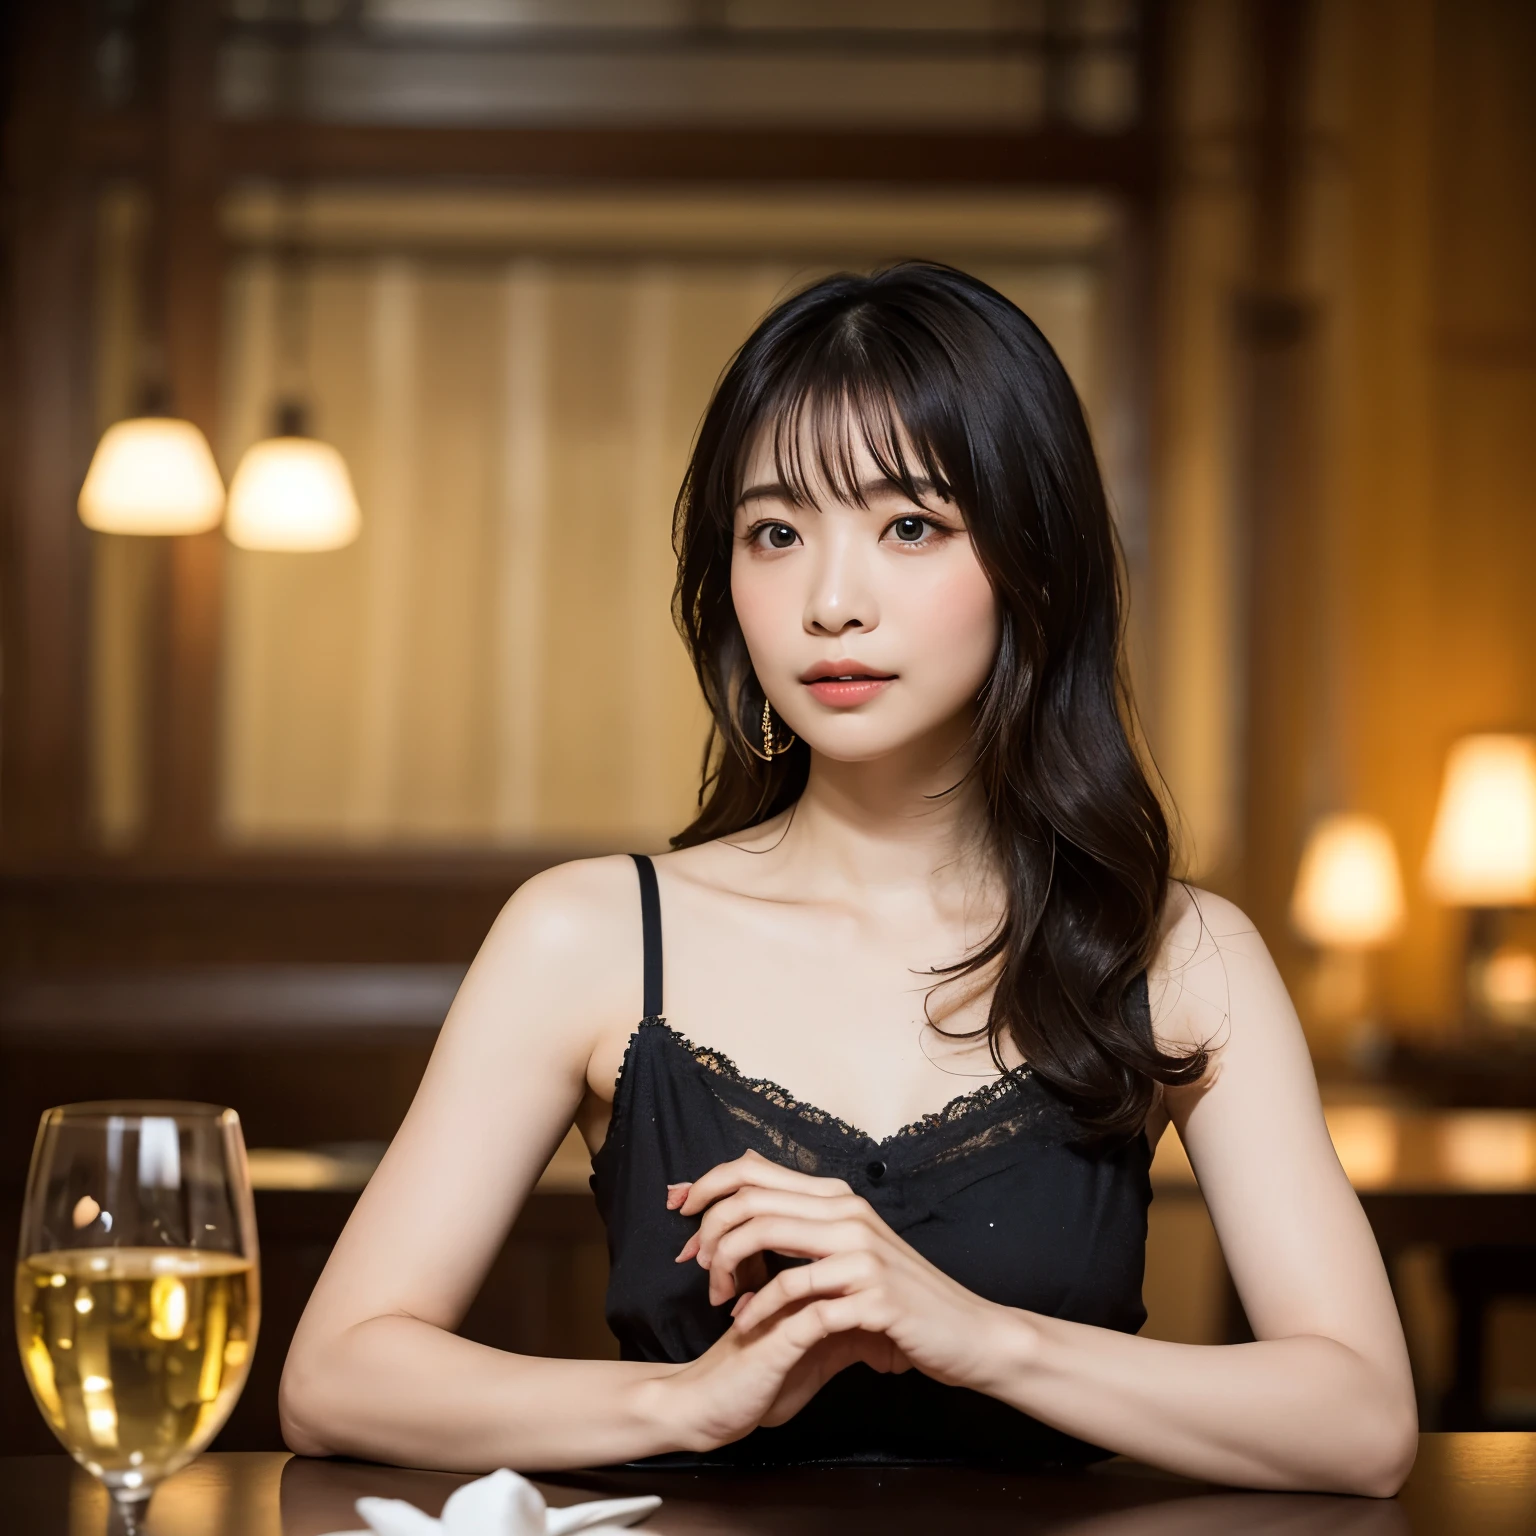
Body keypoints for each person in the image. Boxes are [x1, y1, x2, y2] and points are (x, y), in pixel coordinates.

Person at [279, 262, 1417, 1494]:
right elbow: (335, 1376)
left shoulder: (1178, 951)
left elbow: (1361, 1421)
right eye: (776, 533)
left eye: (910, 526)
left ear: (1035, 561)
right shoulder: (589, 934)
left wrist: (980, 1338)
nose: (829, 602)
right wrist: (692, 1400)